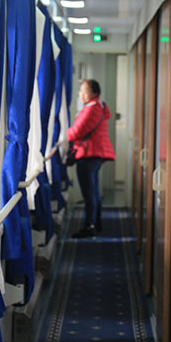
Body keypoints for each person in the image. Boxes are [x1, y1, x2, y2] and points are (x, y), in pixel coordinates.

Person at [66, 79, 115, 237]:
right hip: (94, 155)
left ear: (94, 93)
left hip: (89, 155)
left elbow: (76, 131)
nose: (80, 94)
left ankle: (90, 226)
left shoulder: (91, 109)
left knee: (89, 193)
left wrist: (63, 135)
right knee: (93, 191)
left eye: (84, 91)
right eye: (80, 91)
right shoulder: (98, 107)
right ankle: (95, 223)